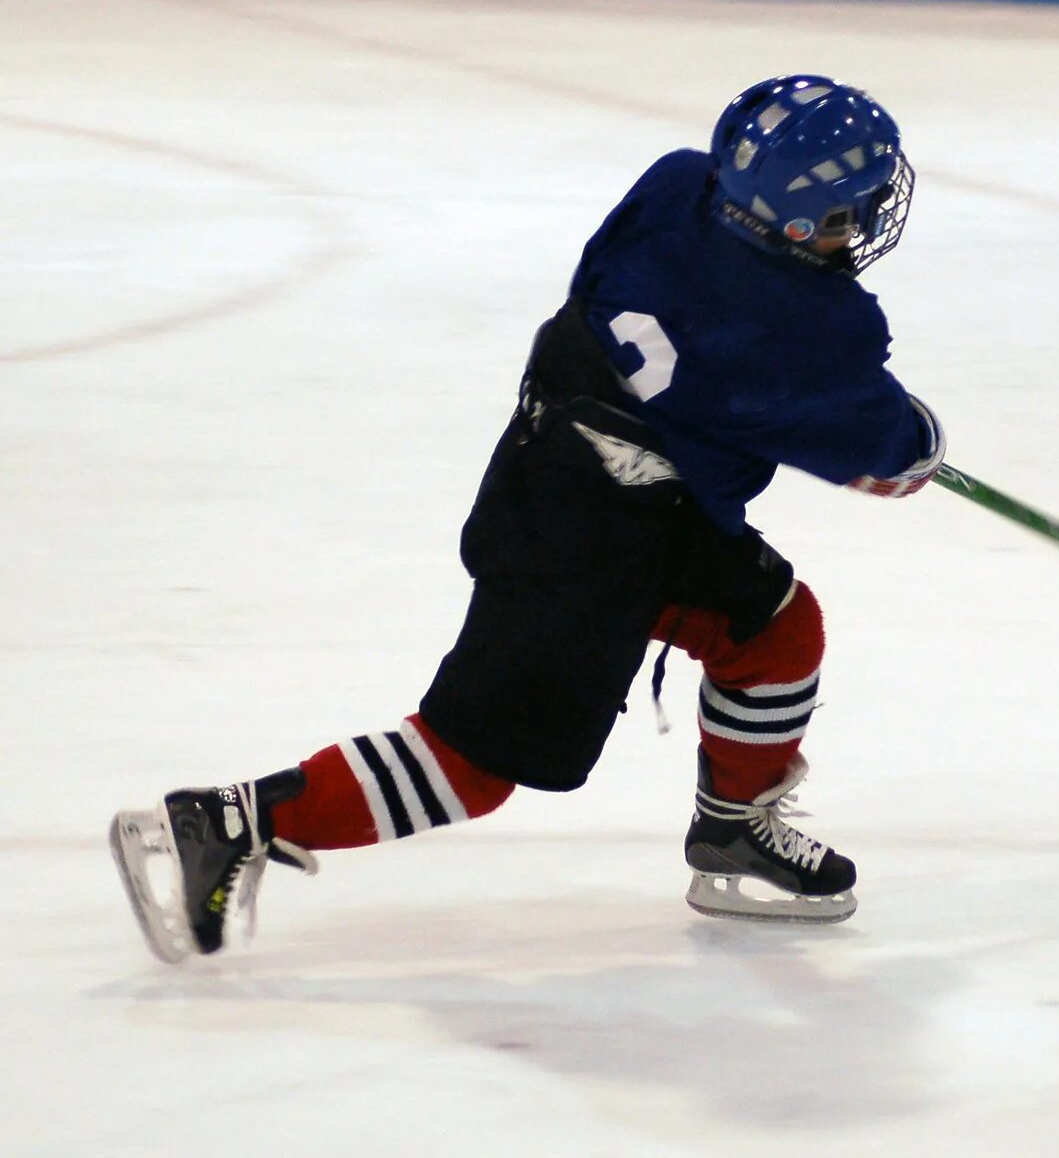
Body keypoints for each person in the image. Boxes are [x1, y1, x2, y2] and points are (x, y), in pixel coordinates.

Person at [110, 73, 946, 963]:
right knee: (468, 766)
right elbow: (888, 456)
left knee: (775, 632)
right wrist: (915, 442)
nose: (860, 221)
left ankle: (731, 834)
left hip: (584, 467)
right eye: (848, 207)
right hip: (583, 536)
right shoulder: (814, 331)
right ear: (794, 220)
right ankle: (226, 822)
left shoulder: (675, 186)